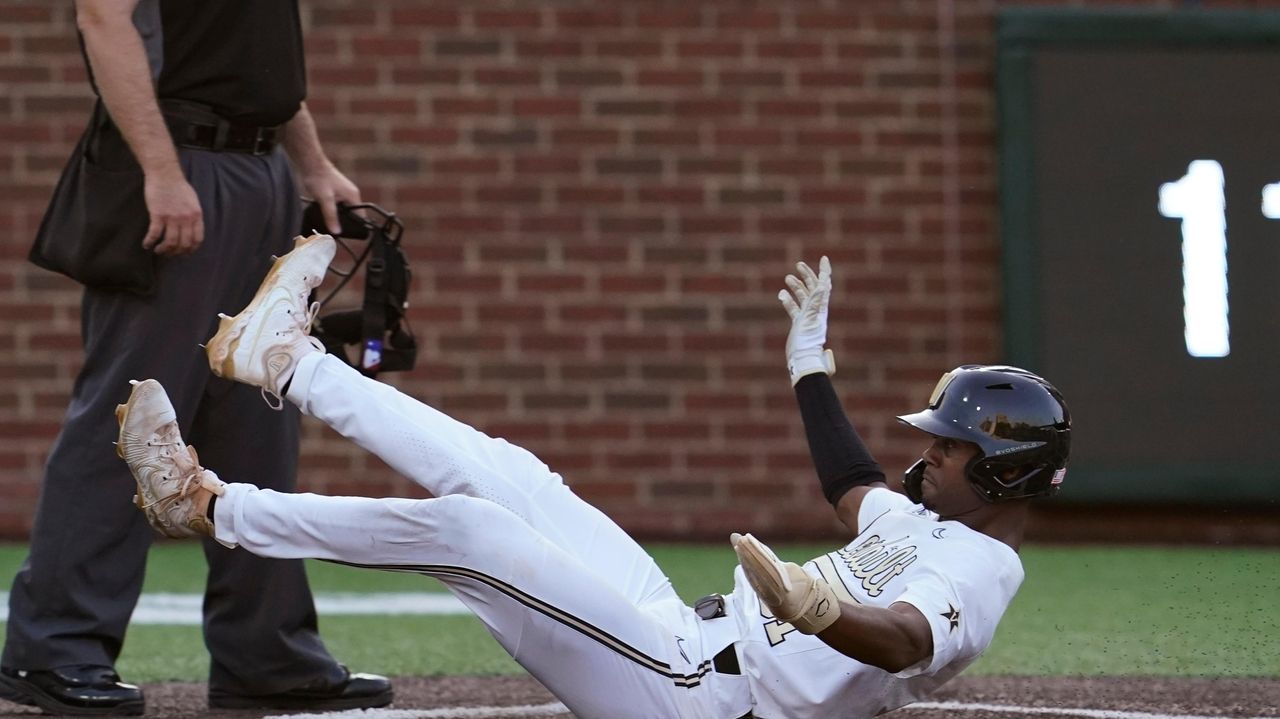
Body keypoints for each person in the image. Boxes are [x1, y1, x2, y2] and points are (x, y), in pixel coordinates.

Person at [115, 236, 1072, 719]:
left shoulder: (986, 574)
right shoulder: (921, 518)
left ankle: (205, 503)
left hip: (700, 698)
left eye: (951, 445)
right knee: (508, 477)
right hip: (677, 631)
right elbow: (853, 482)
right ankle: (288, 360)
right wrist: (808, 364)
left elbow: (906, 641)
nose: (929, 450)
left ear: (1005, 470)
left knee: (471, 533)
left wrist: (821, 612)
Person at [0, 1, 392, 714]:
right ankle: (54, 646)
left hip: (259, 170)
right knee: (131, 413)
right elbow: (102, 18)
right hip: (182, 172)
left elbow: (254, 61)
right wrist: (161, 169)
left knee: (260, 417)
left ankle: (265, 652)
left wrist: (312, 163)